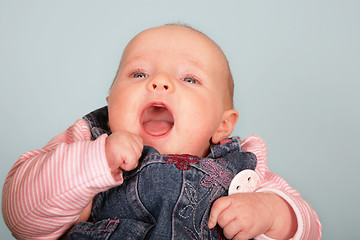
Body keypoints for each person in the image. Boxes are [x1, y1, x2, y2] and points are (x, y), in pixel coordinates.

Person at [2, 24, 321, 240]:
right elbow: (20, 219)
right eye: (139, 72)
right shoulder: (88, 146)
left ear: (222, 125)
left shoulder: (245, 172)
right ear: (111, 103)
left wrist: (271, 212)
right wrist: (95, 161)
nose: (160, 82)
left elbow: (311, 229)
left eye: (189, 79)